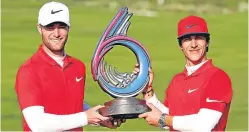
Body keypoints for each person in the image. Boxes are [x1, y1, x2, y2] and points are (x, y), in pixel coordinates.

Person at [15, 1, 122, 131]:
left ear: (68, 28)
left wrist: (100, 117)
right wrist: (85, 117)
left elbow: (73, 103)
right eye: (50, 27)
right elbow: (38, 124)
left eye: (62, 26)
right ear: (39, 28)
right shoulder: (28, 71)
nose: (57, 33)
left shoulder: (78, 67)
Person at [137, 15, 233, 131]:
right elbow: (170, 119)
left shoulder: (218, 77)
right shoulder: (177, 80)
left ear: (207, 42)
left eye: (198, 37)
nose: (193, 44)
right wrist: (147, 89)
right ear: (181, 46)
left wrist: (163, 119)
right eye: (187, 39)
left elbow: (204, 125)